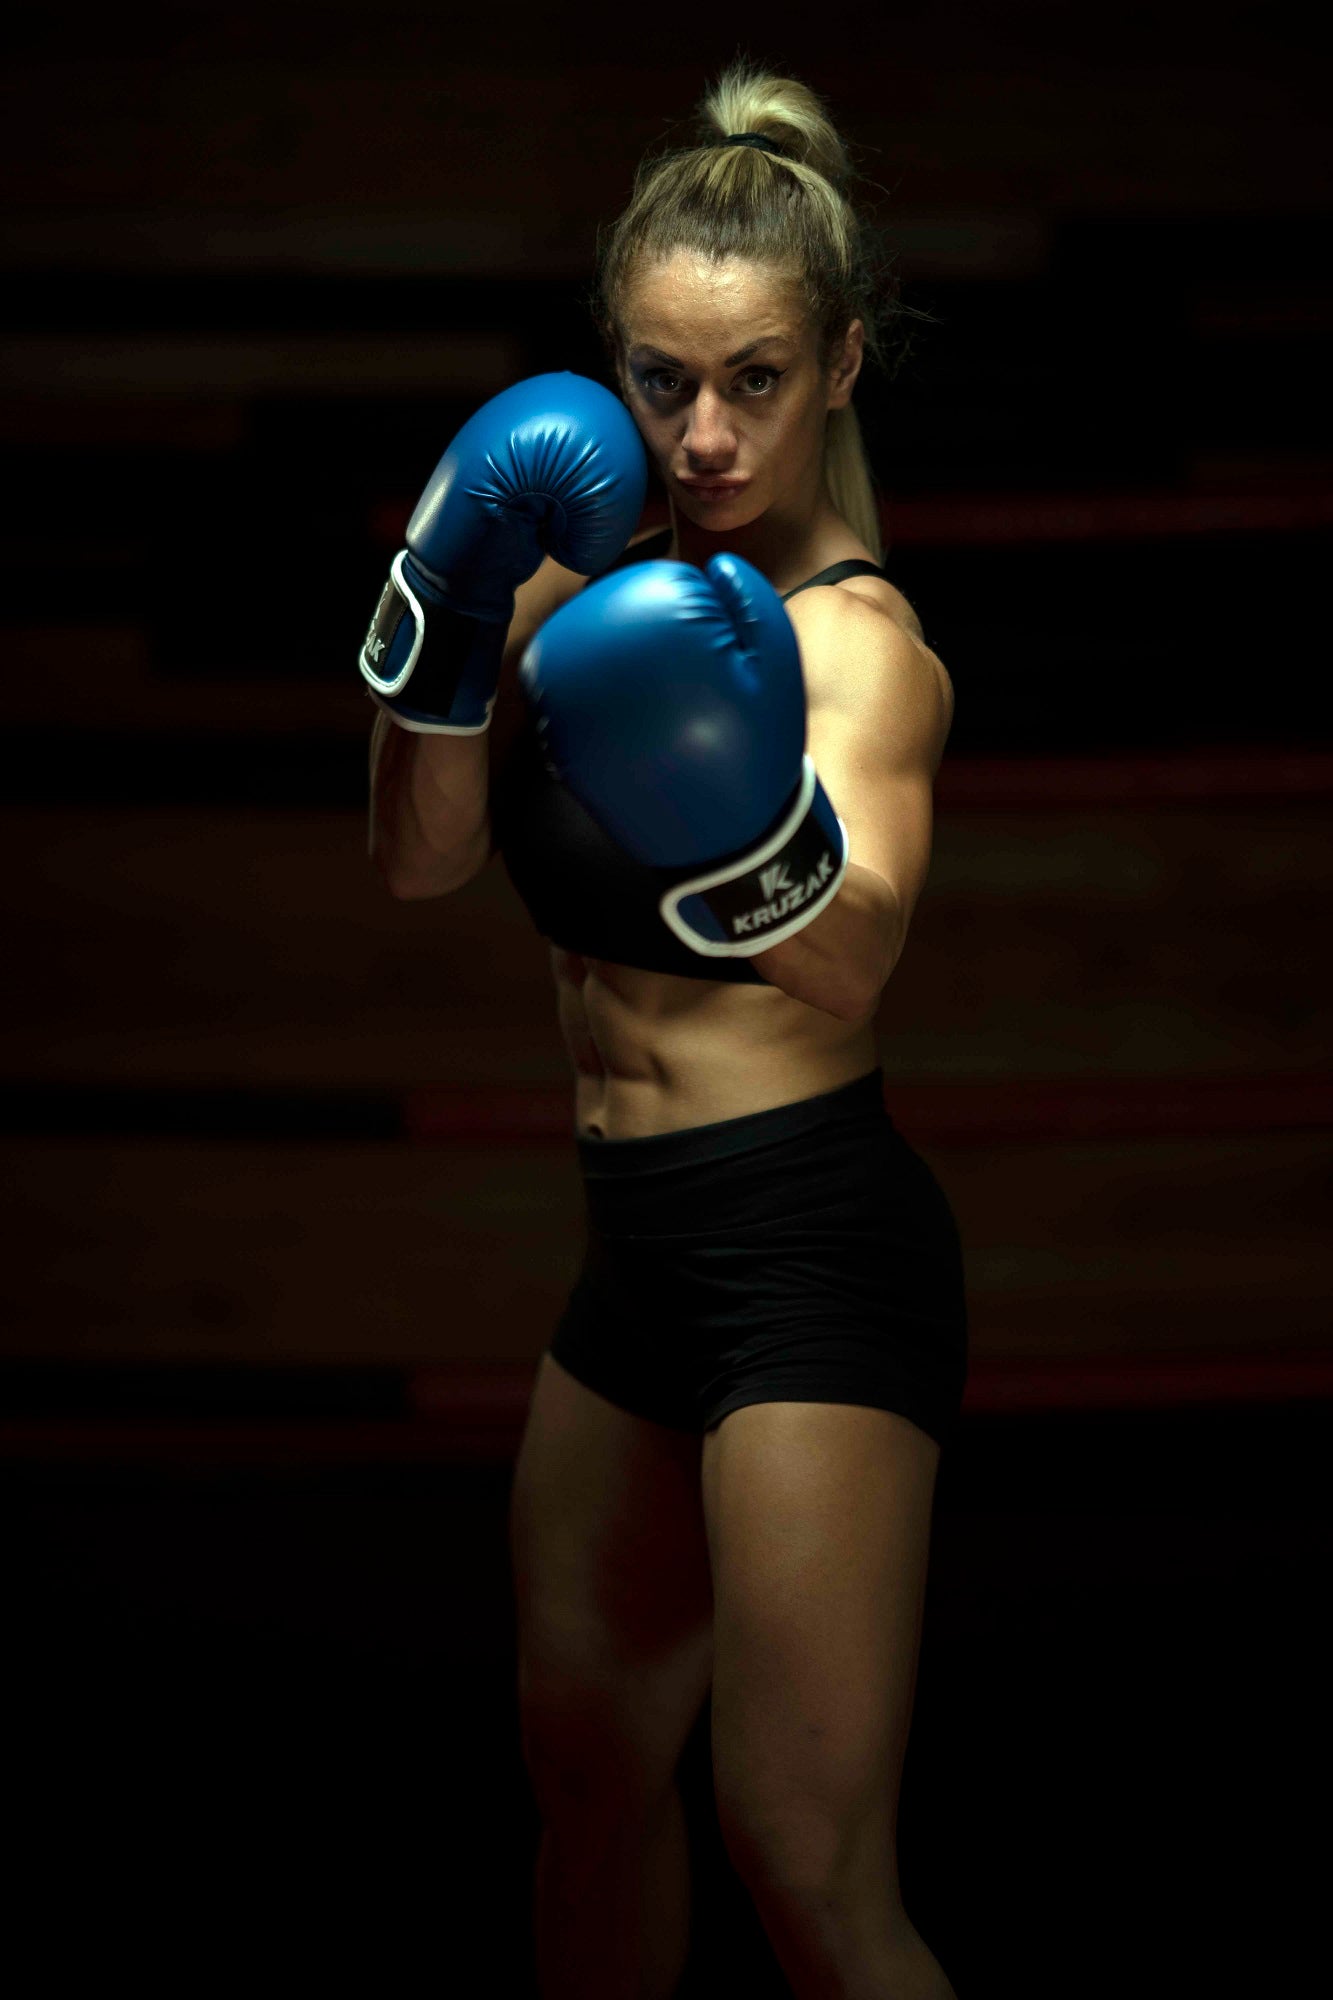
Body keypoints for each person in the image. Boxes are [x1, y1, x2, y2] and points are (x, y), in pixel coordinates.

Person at [363, 58, 966, 2000]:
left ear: (840, 367)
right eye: (658, 379)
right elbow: (419, 862)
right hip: (628, 1255)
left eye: (756, 380)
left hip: (808, 1246)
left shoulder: (858, 649)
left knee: (802, 1860)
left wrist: (738, 800)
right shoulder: (562, 571)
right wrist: (446, 605)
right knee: (590, 1777)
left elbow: (857, 951)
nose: (702, 435)